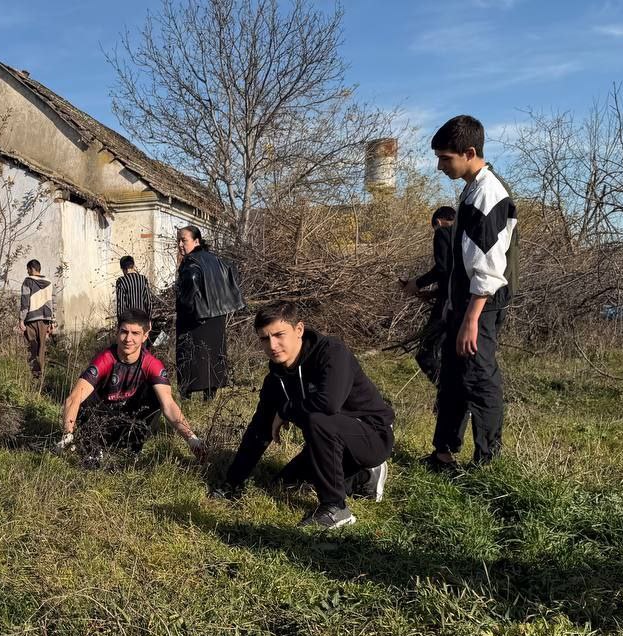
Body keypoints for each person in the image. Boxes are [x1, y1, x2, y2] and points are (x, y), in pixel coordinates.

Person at [216, 302, 394, 530]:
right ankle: (364, 477)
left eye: (279, 335)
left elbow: (329, 403)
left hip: (372, 436)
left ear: (299, 329)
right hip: (329, 444)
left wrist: (285, 411)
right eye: (264, 338)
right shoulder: (276, 378)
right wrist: (232, 482)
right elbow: (259, 430)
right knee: (286, 483)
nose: (272, 345)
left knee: (317, 417)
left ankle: (335, 508)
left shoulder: (331, 352)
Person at [425, 115, 517, 473]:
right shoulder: (472, 188)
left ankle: (487, 464)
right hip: (464, 304)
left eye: (445, 158)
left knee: (479, 379)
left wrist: (471, 319)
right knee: (452, 379)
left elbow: (489, 266)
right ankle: (443, 455)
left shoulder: (488, 194)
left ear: (469, 152)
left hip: (481, 305)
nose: (440, 166)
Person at [58, 308, 204, 463]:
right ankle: (93, 449)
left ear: (145, 336)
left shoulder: (152, 364)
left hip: (131, 427)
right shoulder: (105, 358)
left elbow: (169, 405)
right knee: (84, 394)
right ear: (117, 332)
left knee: (157, 394)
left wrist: (192, 439)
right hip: (101, 425)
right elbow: (73, 398)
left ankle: (133, 449)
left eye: (135, 333)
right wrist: (67, 434)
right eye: (124, 332)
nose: (128, 339)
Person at [174, 225, 244, 400]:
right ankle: (210, 397)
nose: (180, 244)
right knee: (212, 356)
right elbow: (231, 271)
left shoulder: (190, 261)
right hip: (217, 318)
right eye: (179, 240)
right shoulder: (216, 259)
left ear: (196, 241)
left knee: (188, 356)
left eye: (184, 240)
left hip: (194, 318)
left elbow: (192, 278)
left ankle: (186, 398)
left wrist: (186, 303)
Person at [399, 205, 455, 386]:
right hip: (465, 303)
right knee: (451, 353)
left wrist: (416, 284)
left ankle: (447, 392)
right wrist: (433, 293)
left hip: (448, 303)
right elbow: (454, 275)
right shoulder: (466, 236)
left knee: (426, 353)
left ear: (437, 222)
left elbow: (442, 268)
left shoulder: (443, 232)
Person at [18, 259, 54, 378]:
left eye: (28, 269)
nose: (27, 271)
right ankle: (41, 374)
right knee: (42, 348)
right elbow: (51, 303)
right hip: (45, 319)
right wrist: (52, 321)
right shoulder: (49, 282)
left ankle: (34, 374)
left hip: (31, 319)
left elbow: (25, 302)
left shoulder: (28, 281)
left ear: (32, 269)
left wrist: (21, 319)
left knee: (32, 347)